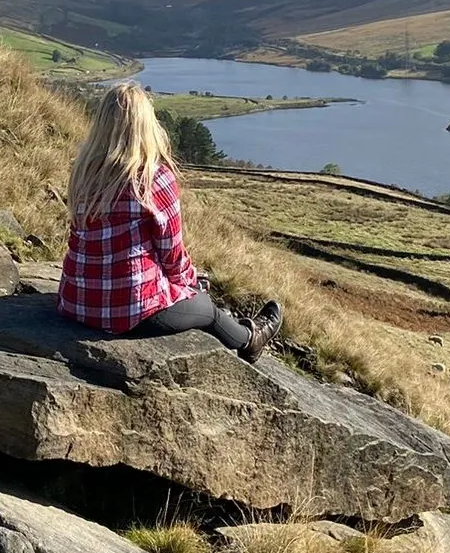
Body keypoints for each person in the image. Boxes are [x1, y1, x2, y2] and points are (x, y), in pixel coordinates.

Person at [58, 82, 282, 361]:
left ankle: (244, 332)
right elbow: (172, 254)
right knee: (208, 311)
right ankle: (251, 339)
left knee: (192, 296)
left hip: (75, 303)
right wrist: (192, 284)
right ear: (146, 125)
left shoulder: (83, 172)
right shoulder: (152, 178)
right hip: (132, 310)